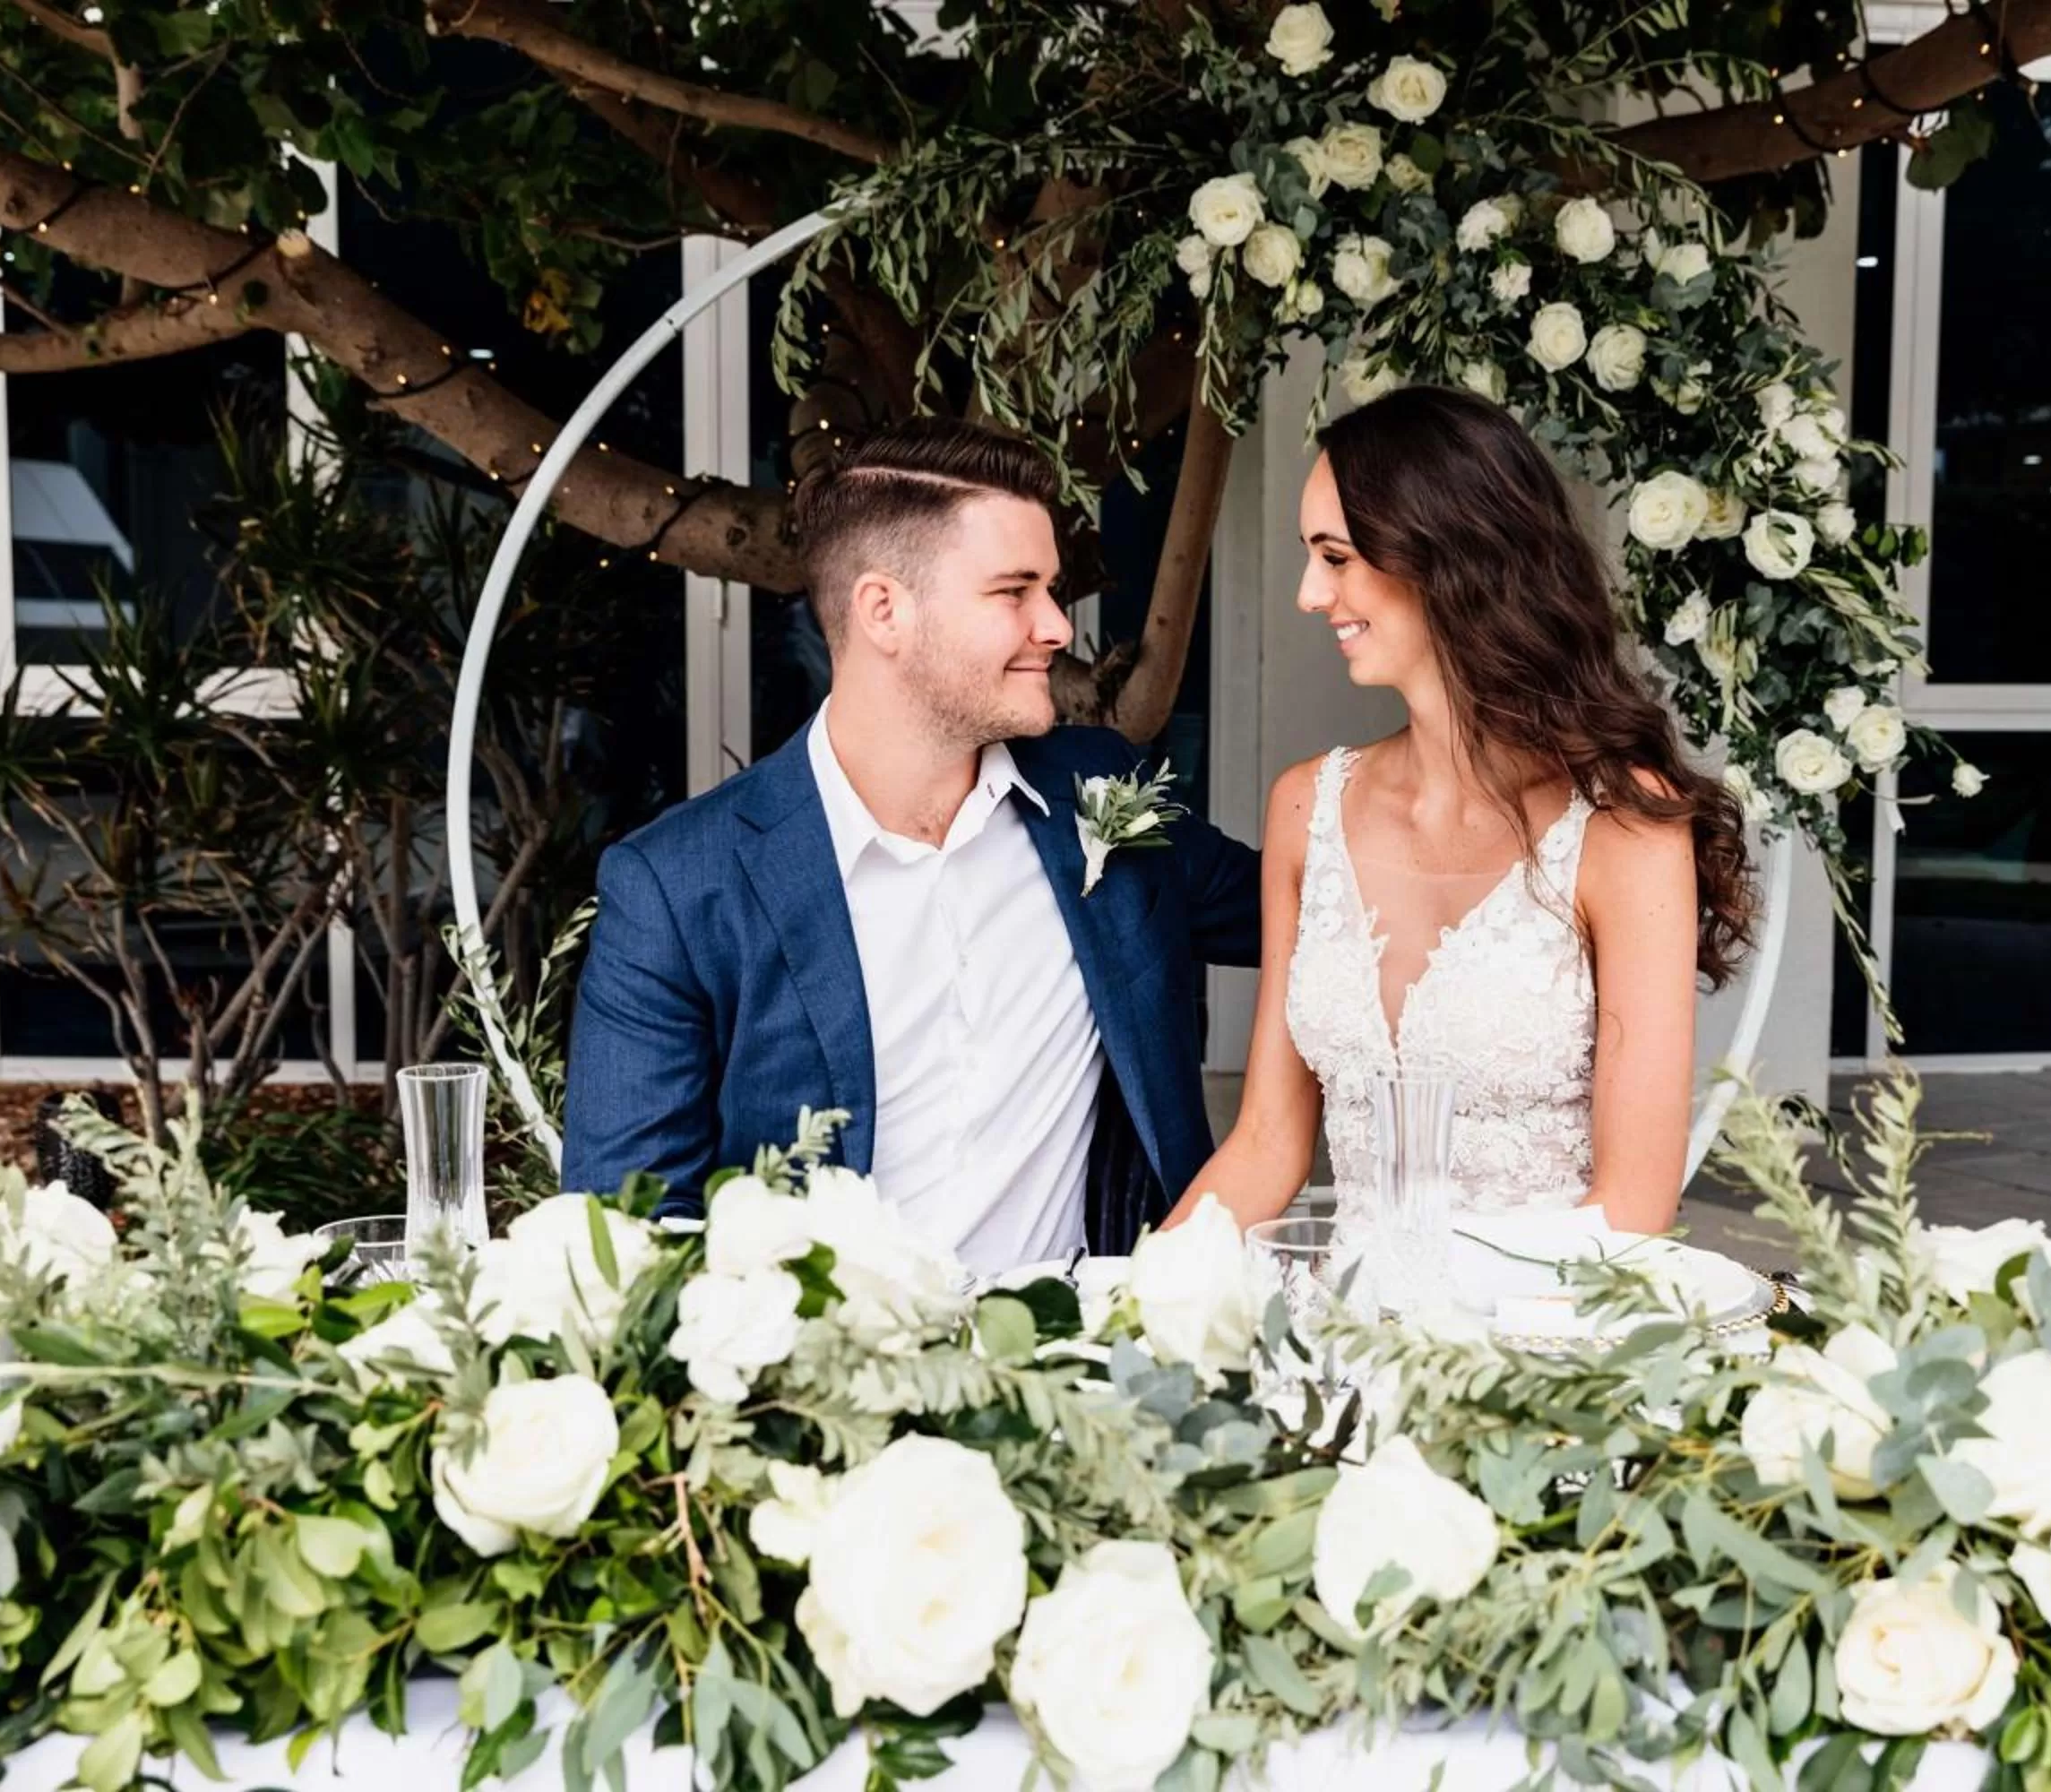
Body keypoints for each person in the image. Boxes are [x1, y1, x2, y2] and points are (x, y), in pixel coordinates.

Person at [564, 417, 1262, 1270]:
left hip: (1103, 1363)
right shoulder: (678, 889)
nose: (1054, 626)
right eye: (1015, 592)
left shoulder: (1096, 791)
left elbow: (1307, 909)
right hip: (828, 1383)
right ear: (884, 610)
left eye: (1050, 589)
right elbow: (628, 1235)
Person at [1174, 384, 1754, 1238]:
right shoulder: (1307, 806)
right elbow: (1265, 1143)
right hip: (1351, 1322)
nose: (1308, 594)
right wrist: (1134, 1301)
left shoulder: (1623, 826)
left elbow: (1633, 1205)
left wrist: (1452, 1358)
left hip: (1539, 1334)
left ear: (1444, 557)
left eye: (1335, 558)